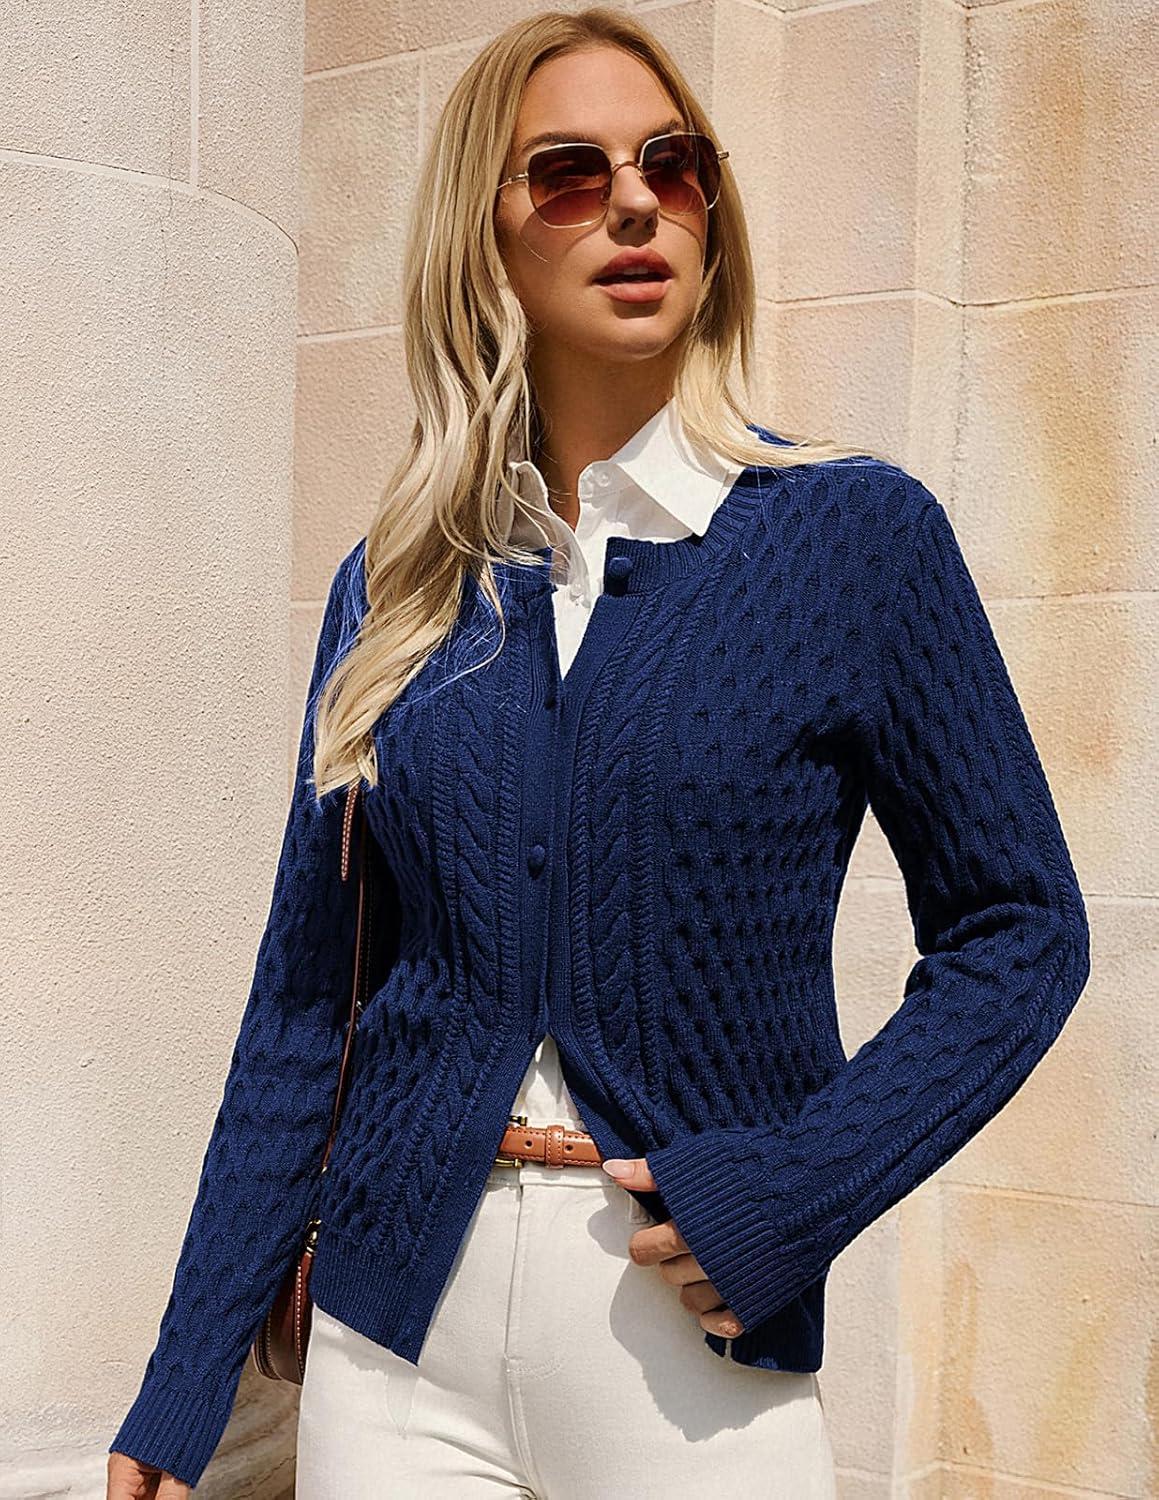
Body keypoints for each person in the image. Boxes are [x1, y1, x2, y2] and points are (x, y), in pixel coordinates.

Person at [107, 7, 1090, 1498]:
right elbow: (310, 996)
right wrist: (186, 1380)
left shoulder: (853, 538)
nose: (635, 203)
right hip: (394, 1343)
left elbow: (1022, 929)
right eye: (569, 172)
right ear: (485, 236)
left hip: (684, 1340)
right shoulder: (398, 585)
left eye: (672, 165)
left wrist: (800, 1191)